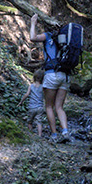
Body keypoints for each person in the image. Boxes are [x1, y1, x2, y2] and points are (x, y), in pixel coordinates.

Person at [29, 13, 72, 142]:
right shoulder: (67, 39)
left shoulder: (48, 36)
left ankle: (54, 135)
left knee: (49, 106)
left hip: (51, 74)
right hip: (65, 75)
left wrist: (32, 23)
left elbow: (32, 37)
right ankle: (65, 132)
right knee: (59, 107)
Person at [19, 68, 45, 138]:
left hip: (31, 107)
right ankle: (39, 135)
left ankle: (31, 134)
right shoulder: (43, 87)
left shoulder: (31, 86)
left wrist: (21, 102)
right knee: (39, 122)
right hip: (40, 107)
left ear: (34, 77)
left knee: (29, 121)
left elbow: (26, 95)